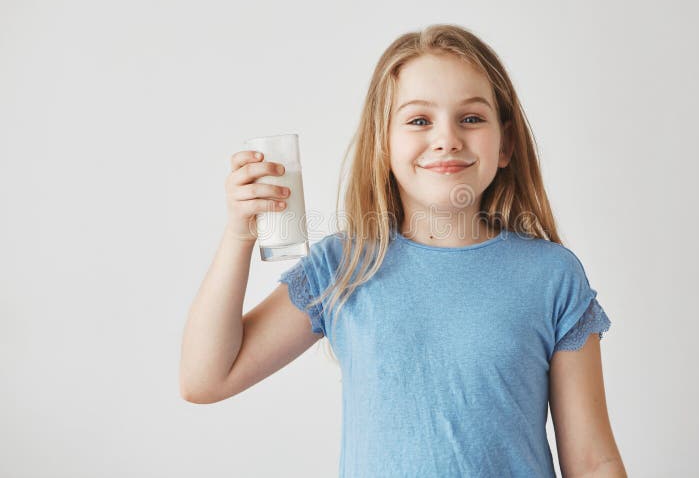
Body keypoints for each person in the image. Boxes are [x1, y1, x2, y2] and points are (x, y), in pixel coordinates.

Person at [179, 24, 627, 477]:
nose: (447, 138)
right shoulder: (344, 266)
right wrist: (239, 235)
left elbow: (592, 462)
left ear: (506, 143)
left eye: (471, 118)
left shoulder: (551, 276)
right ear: (383, 144)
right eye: (418, 120)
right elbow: (205, 378)